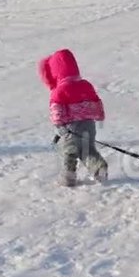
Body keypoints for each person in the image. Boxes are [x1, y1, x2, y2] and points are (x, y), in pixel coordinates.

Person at [38, 49, 108, 187]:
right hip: (88, 125)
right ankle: (98, 167)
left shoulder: (58, 91)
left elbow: (57, 112)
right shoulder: (85, 85)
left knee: (69, 153)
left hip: (70, 128)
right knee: (87, 149)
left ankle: (68, 178)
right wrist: (98, 116)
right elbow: (96, 103)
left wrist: (60, 128)